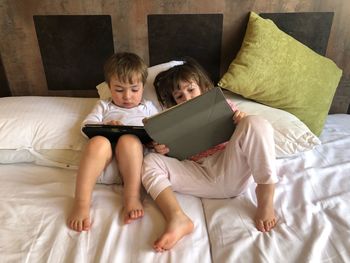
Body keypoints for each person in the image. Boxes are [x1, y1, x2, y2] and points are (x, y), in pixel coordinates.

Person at [142, 58, 278, 252]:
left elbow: (251, 135)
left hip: (230, 167)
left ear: (203, 87)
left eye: (191, 90)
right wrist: (163, 150)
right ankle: (177, 218)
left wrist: (242, 120)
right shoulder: (171, 120)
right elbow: (171, 158)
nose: (187, 98)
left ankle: (265, 195)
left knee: (255, 123)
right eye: (180, 96)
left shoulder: (224, 106)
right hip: (198, 174)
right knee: (149, 161)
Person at [68, 52, 158, 231]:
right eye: (119, 89)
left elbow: (161, 130)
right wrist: (106, 125)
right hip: (103, 161)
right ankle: (81, 203)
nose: (127, 96)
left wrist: (154, 140)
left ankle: (132, 198)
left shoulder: (148, 107)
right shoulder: (104, 106)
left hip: (133, 163)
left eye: (134, 89)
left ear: (142, 87)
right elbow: (86, 126)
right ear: (109, 87)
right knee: (97, 142)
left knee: (129, 140)